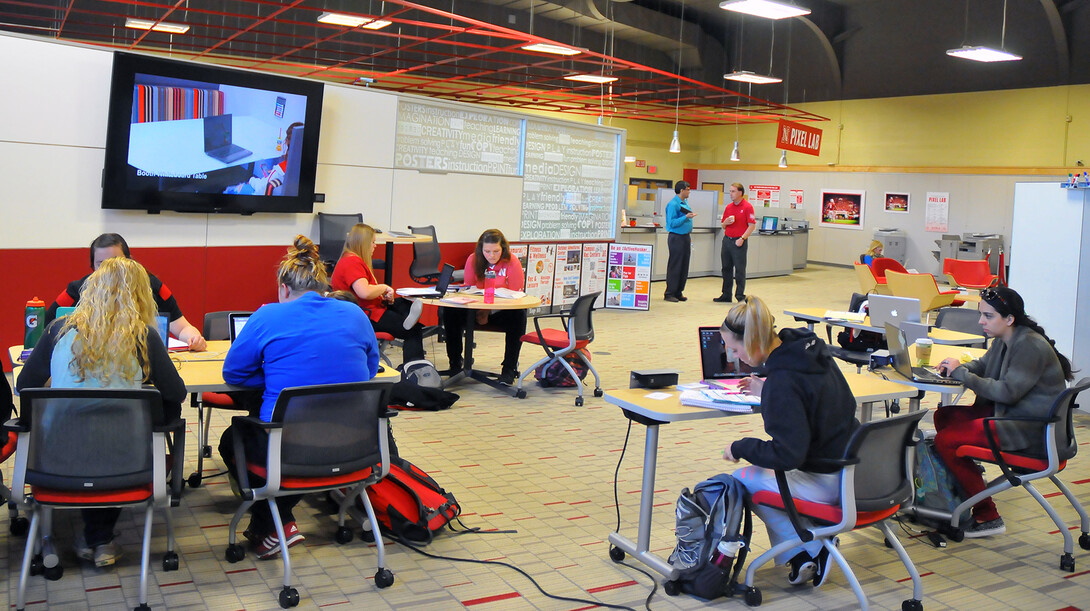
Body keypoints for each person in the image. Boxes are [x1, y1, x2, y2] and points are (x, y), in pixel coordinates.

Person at [17, 257, 187, 568]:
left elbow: (25, 385)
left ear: (91, 291)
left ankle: (92, 537)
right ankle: (99, 539)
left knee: (91, 432)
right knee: (114, 433)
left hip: (55, 457)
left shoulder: (57, 329)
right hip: (126, 461)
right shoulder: (144, 336)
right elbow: (177, 394)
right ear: (139, 296)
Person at [220, 235, 380, 559]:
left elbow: (233, 374)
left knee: (231, 439)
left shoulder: (266, 316)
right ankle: (274, 524)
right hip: (354, 446)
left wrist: (275, 377)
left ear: (283, 288)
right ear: (325, 287)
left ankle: (271, 524)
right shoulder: (355, 315)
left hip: (290, 449)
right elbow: (370, 369)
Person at [720, 296, 859, 587]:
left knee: (742, 480)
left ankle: (810, 548)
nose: (734, 357)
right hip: (853, 469)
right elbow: (810, 397)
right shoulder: (808, 352)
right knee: (765, 478)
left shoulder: (783, 381)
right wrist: (768, 388)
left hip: (826, 479)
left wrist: (739, 447)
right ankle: (802, 556)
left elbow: (787, 455)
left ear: (753, 341)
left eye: (734, 348)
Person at [934, 285, 1072, 538]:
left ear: (1009, 319)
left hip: (1029, 432)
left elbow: (1007, 392)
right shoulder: (1007, 338)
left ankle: (987, 516)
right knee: (944, 417)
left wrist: (961, 373)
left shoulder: (1029, 346)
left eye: (988, 316)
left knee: (946, 440)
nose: (980, 321)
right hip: (1014, 418)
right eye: (981, 314)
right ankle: (969, 483)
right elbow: (983, 366)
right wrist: (956, 367)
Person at [43, 233, 207, 351]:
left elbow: (183, 327)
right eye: (101, 263)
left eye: (115, 262)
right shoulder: (76, 289)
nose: (109, 269)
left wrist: (194, 339)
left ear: (129, 262)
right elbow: (46, 327)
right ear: (92, 267)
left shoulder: (152, 286)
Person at [331, 223, 425, 362]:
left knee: (404, 304)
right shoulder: (352, 263)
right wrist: (383, 288)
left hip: (368, 310)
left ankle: (407, 318)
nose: (375, 246)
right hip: (367, 316)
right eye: (373, 242)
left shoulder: (349, 259)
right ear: (363, 244)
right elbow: (365, 292)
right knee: (413, 331)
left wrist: (383, 294)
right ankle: (414, 370)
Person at [443, 229, 526, 385]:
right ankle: (455, 363)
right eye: (487, 251)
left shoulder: (512, 261)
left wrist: (489, 310)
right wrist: (481, 309)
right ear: (481, 249)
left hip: (500, 311)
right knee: (450, 311)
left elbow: (516, 294)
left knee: (519, 315)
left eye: (496, 251)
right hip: (474, 310)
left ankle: (509, 368)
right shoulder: (473, 259)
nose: (492, 255)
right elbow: (468, 289)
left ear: (503, 249)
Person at [715, 182, 756, 303]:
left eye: (733, 191)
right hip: (727, 240)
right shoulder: (728, 207)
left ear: (740, 193)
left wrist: (742, 238)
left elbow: (752, 225)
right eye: (730, 191)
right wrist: (726, 222)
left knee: (739, 269)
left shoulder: (748, 207)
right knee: (726, 268)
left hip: (739, 242)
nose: (731, 194)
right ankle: (726, 294)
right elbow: (723, 225)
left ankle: (739, 295)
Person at [663, 181, 695, 302]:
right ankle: (669, 292)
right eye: (688, 189)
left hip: (685, 237)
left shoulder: (684, 202)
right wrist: (685, 217)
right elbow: (671, 223)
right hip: (676, 237)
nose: (689, 191)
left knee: (684, 265)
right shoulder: (673, 204)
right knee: (675, 265)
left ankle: (678, 291)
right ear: (681, 190)